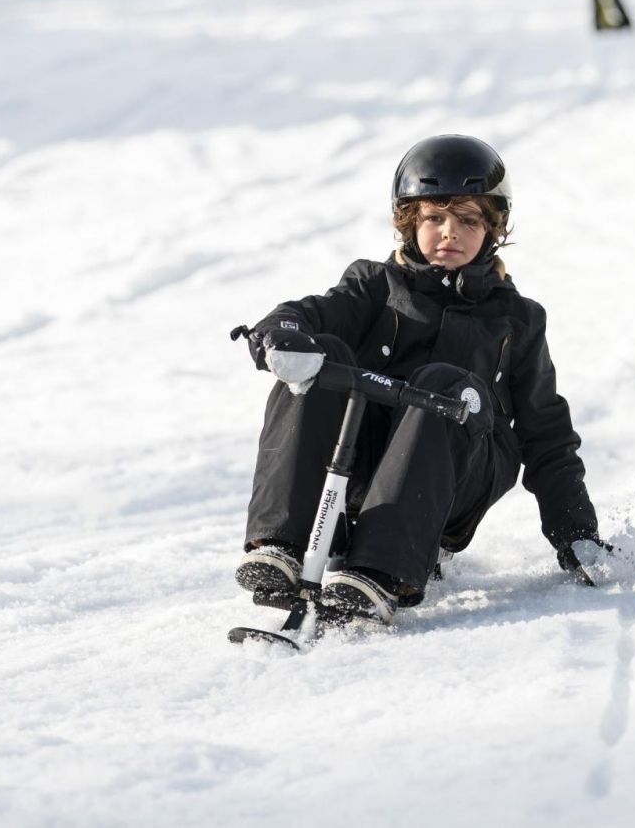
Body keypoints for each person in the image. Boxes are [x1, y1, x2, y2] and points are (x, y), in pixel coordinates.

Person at [233, 135, 605, 626]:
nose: (449, 232)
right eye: (434, 218)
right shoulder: (373, 285)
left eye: (468, 220)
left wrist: (574, 531)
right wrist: (281, 333)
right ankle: (282, 543)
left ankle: (383, 570)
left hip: (456, 476)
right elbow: (309, 314)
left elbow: (546, 434)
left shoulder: (517, 319)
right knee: (322, 356)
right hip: (359, 465)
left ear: (492, 228)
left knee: (445, 382)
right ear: (410, 223)